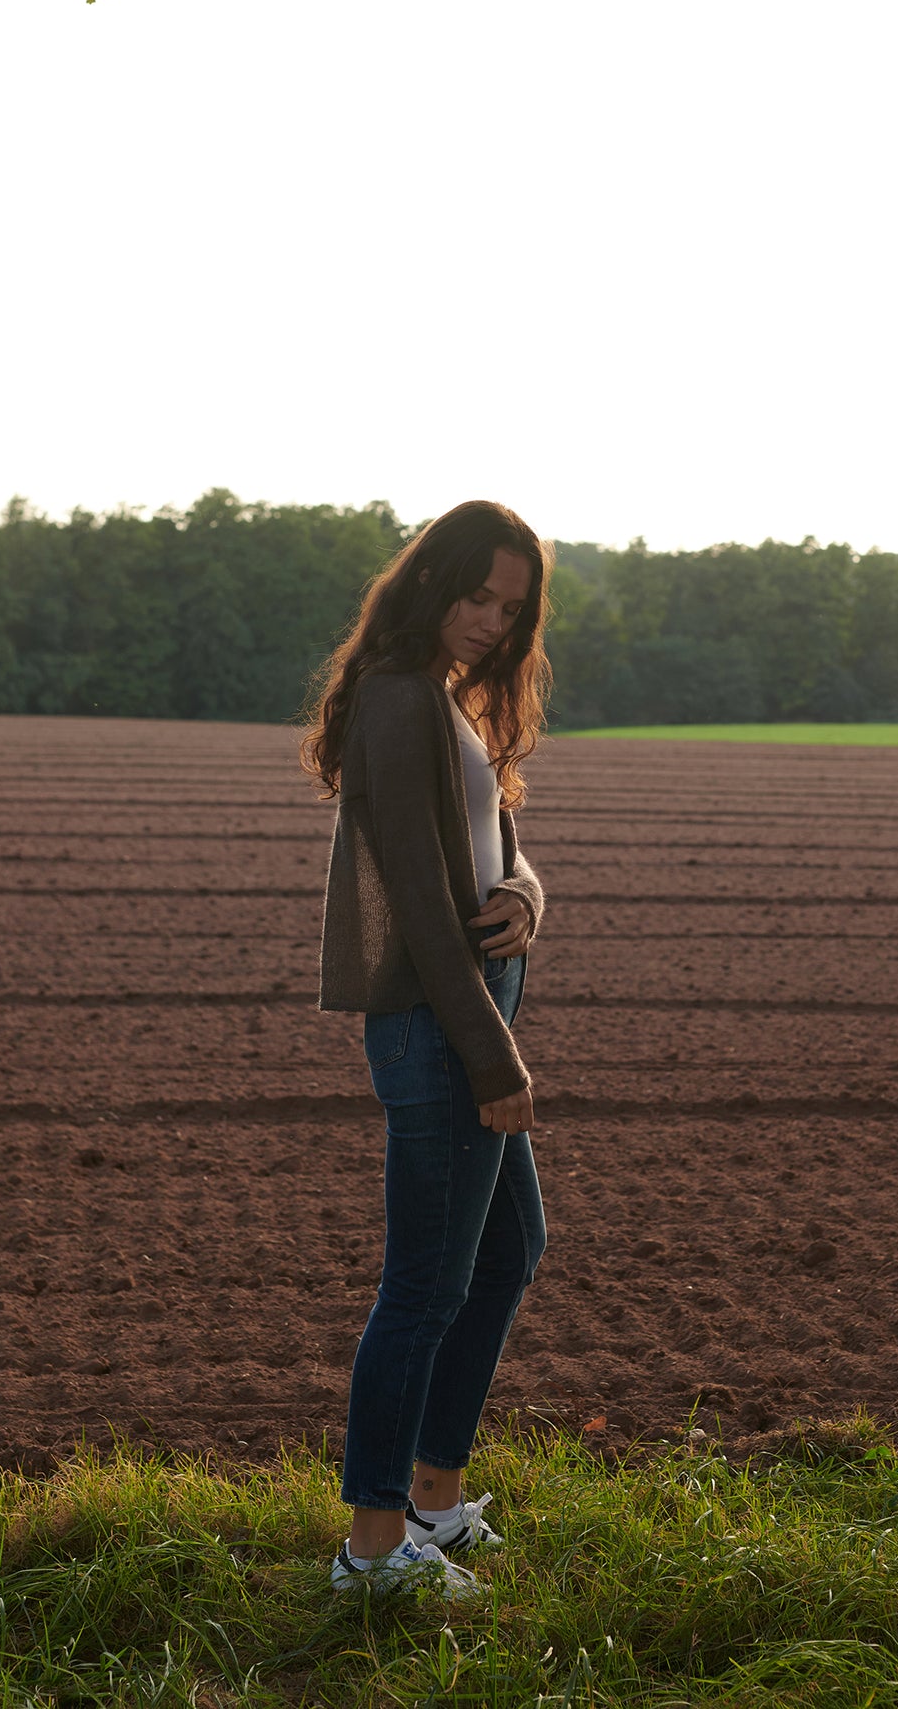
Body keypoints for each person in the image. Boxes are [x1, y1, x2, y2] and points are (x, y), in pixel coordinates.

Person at [301, 500, 552, 1599]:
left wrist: (528, 895)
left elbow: (499, 840)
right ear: (428, 582)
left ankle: (436, 1505)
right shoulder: (399, 700)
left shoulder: (442, 699)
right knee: (423, 1288)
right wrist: (492, 1056)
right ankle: (370, 1547)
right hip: (439, 1020)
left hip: (471, 999)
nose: (490, 620)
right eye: (475, 594)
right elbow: (413, 896)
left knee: (505, 1253)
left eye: (510, 605)